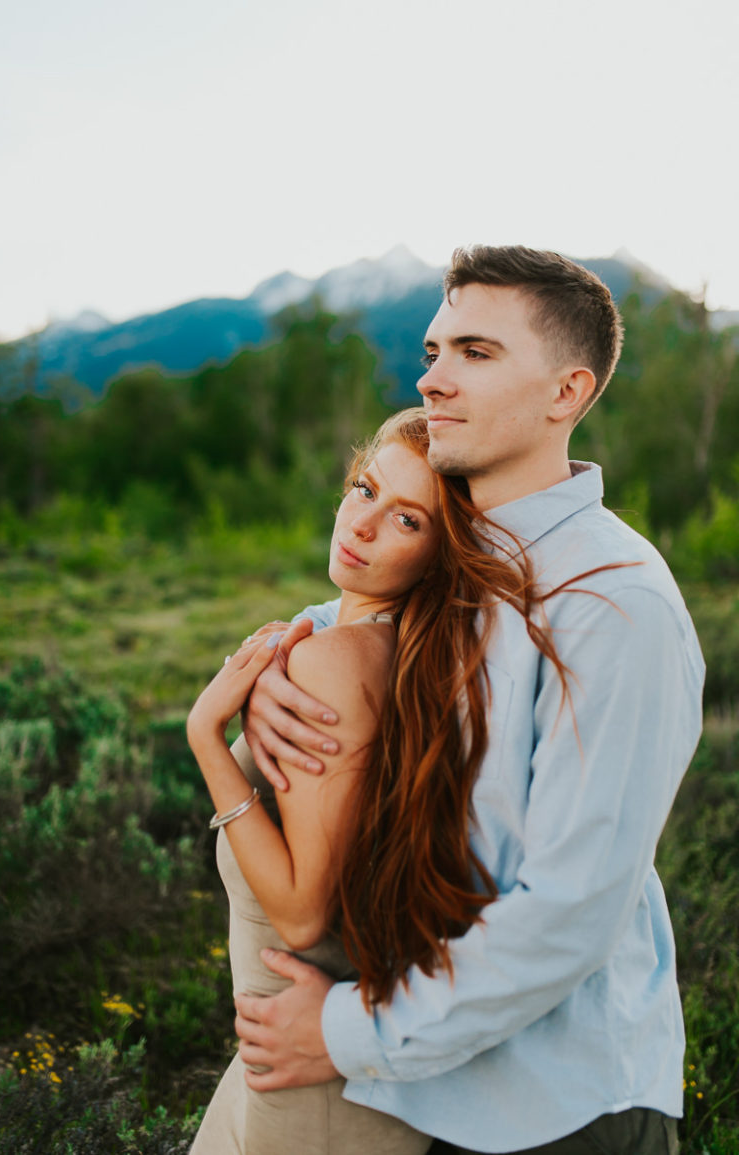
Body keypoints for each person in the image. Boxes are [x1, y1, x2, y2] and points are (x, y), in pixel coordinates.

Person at [234, 246, 705, 1155]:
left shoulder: (616, 604)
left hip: (559, 1108)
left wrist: (343, 1032)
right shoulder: (463, 556)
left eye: (475, 354)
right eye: (434, 349)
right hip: (430, 1089)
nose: (432, 379)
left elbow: (567, 912)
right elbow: (352, 616)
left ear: (566, 393)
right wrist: (268, 678)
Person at [187, 406, 570, 1154]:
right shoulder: (378, 650)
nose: (361, 525)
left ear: (439, 554)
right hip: (284, 1064)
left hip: (317, 1093)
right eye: (364, 489)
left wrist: (204, 737)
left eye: (406, 521)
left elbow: (301, 914)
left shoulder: (336, 664)